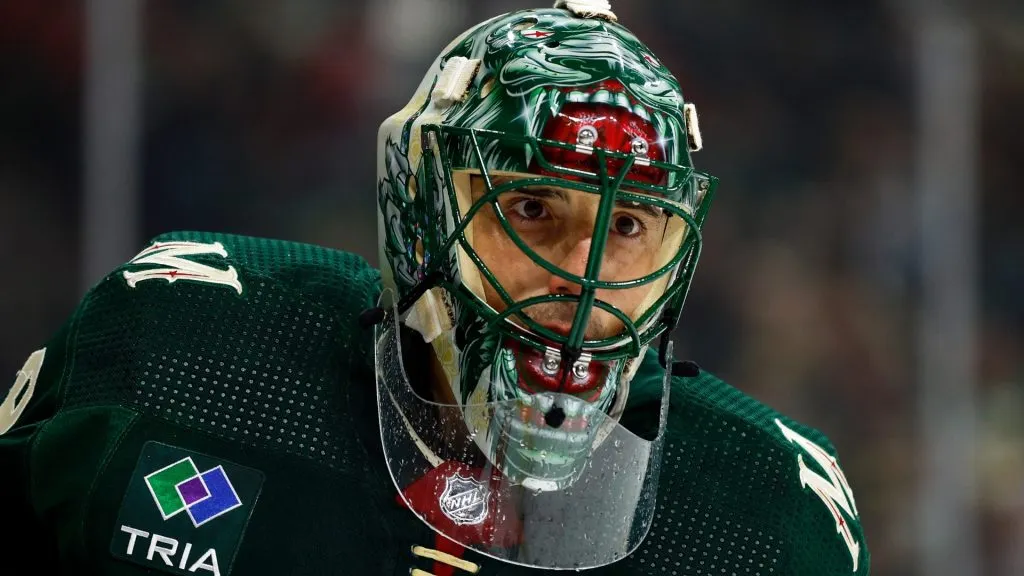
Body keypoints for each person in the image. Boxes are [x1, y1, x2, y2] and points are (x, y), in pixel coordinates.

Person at [0, 2, 869, 574]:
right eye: (531, 208)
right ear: (421, 207)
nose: (582, 274)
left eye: (630, 227)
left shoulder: (766, 516)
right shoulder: (186, 347)